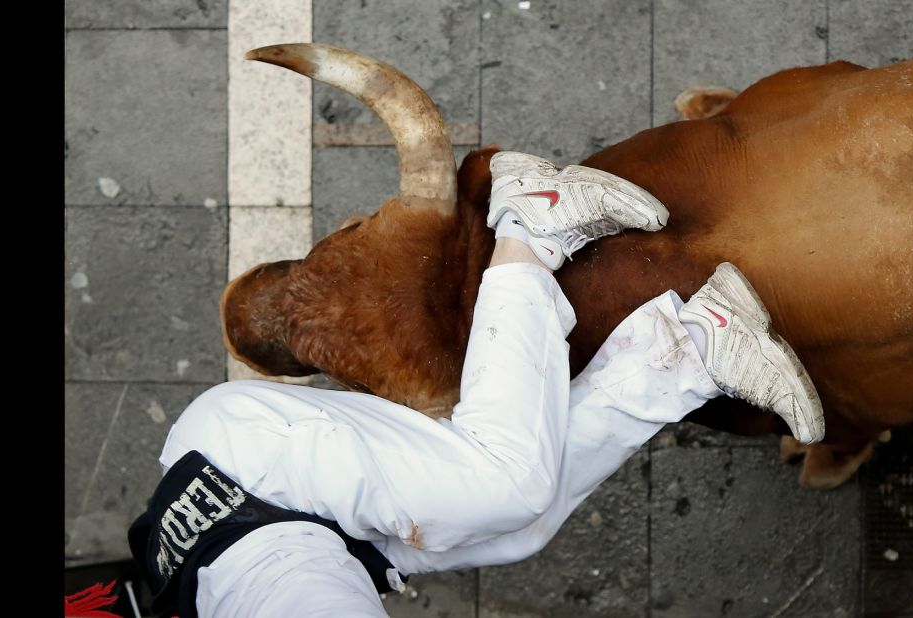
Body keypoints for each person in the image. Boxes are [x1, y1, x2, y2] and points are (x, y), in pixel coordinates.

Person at [128, 152, 824, 617]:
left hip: (249, 474)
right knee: (517, 524)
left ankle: (530, 226)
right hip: (254, 529)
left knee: (504, 482)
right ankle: (692, 348)